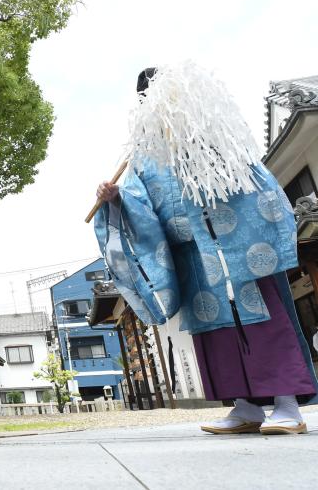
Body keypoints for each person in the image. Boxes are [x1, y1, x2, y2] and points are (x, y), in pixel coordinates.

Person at [94, 65, 318, 436]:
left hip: (238, 248)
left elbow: (255, 185)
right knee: (215, 333)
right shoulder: (144, 158)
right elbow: (140, 206)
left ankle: (287, 404)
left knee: (264, 324)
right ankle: (245, 407)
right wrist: (116, 200)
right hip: (192, 258)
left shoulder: (212, 136)